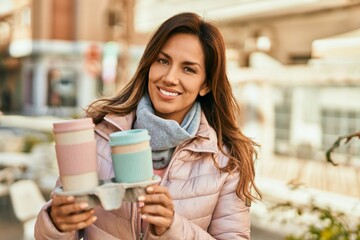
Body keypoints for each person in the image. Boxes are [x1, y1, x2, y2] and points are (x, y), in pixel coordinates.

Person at [35, 12, 261, 239]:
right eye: (163, 61)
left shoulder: (225, 161)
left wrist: (172, 228)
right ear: (148, 64)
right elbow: (60, 227)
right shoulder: (99, 133)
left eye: (188, 69)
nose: (170, 77)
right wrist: (57, 223)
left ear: (206, 85)